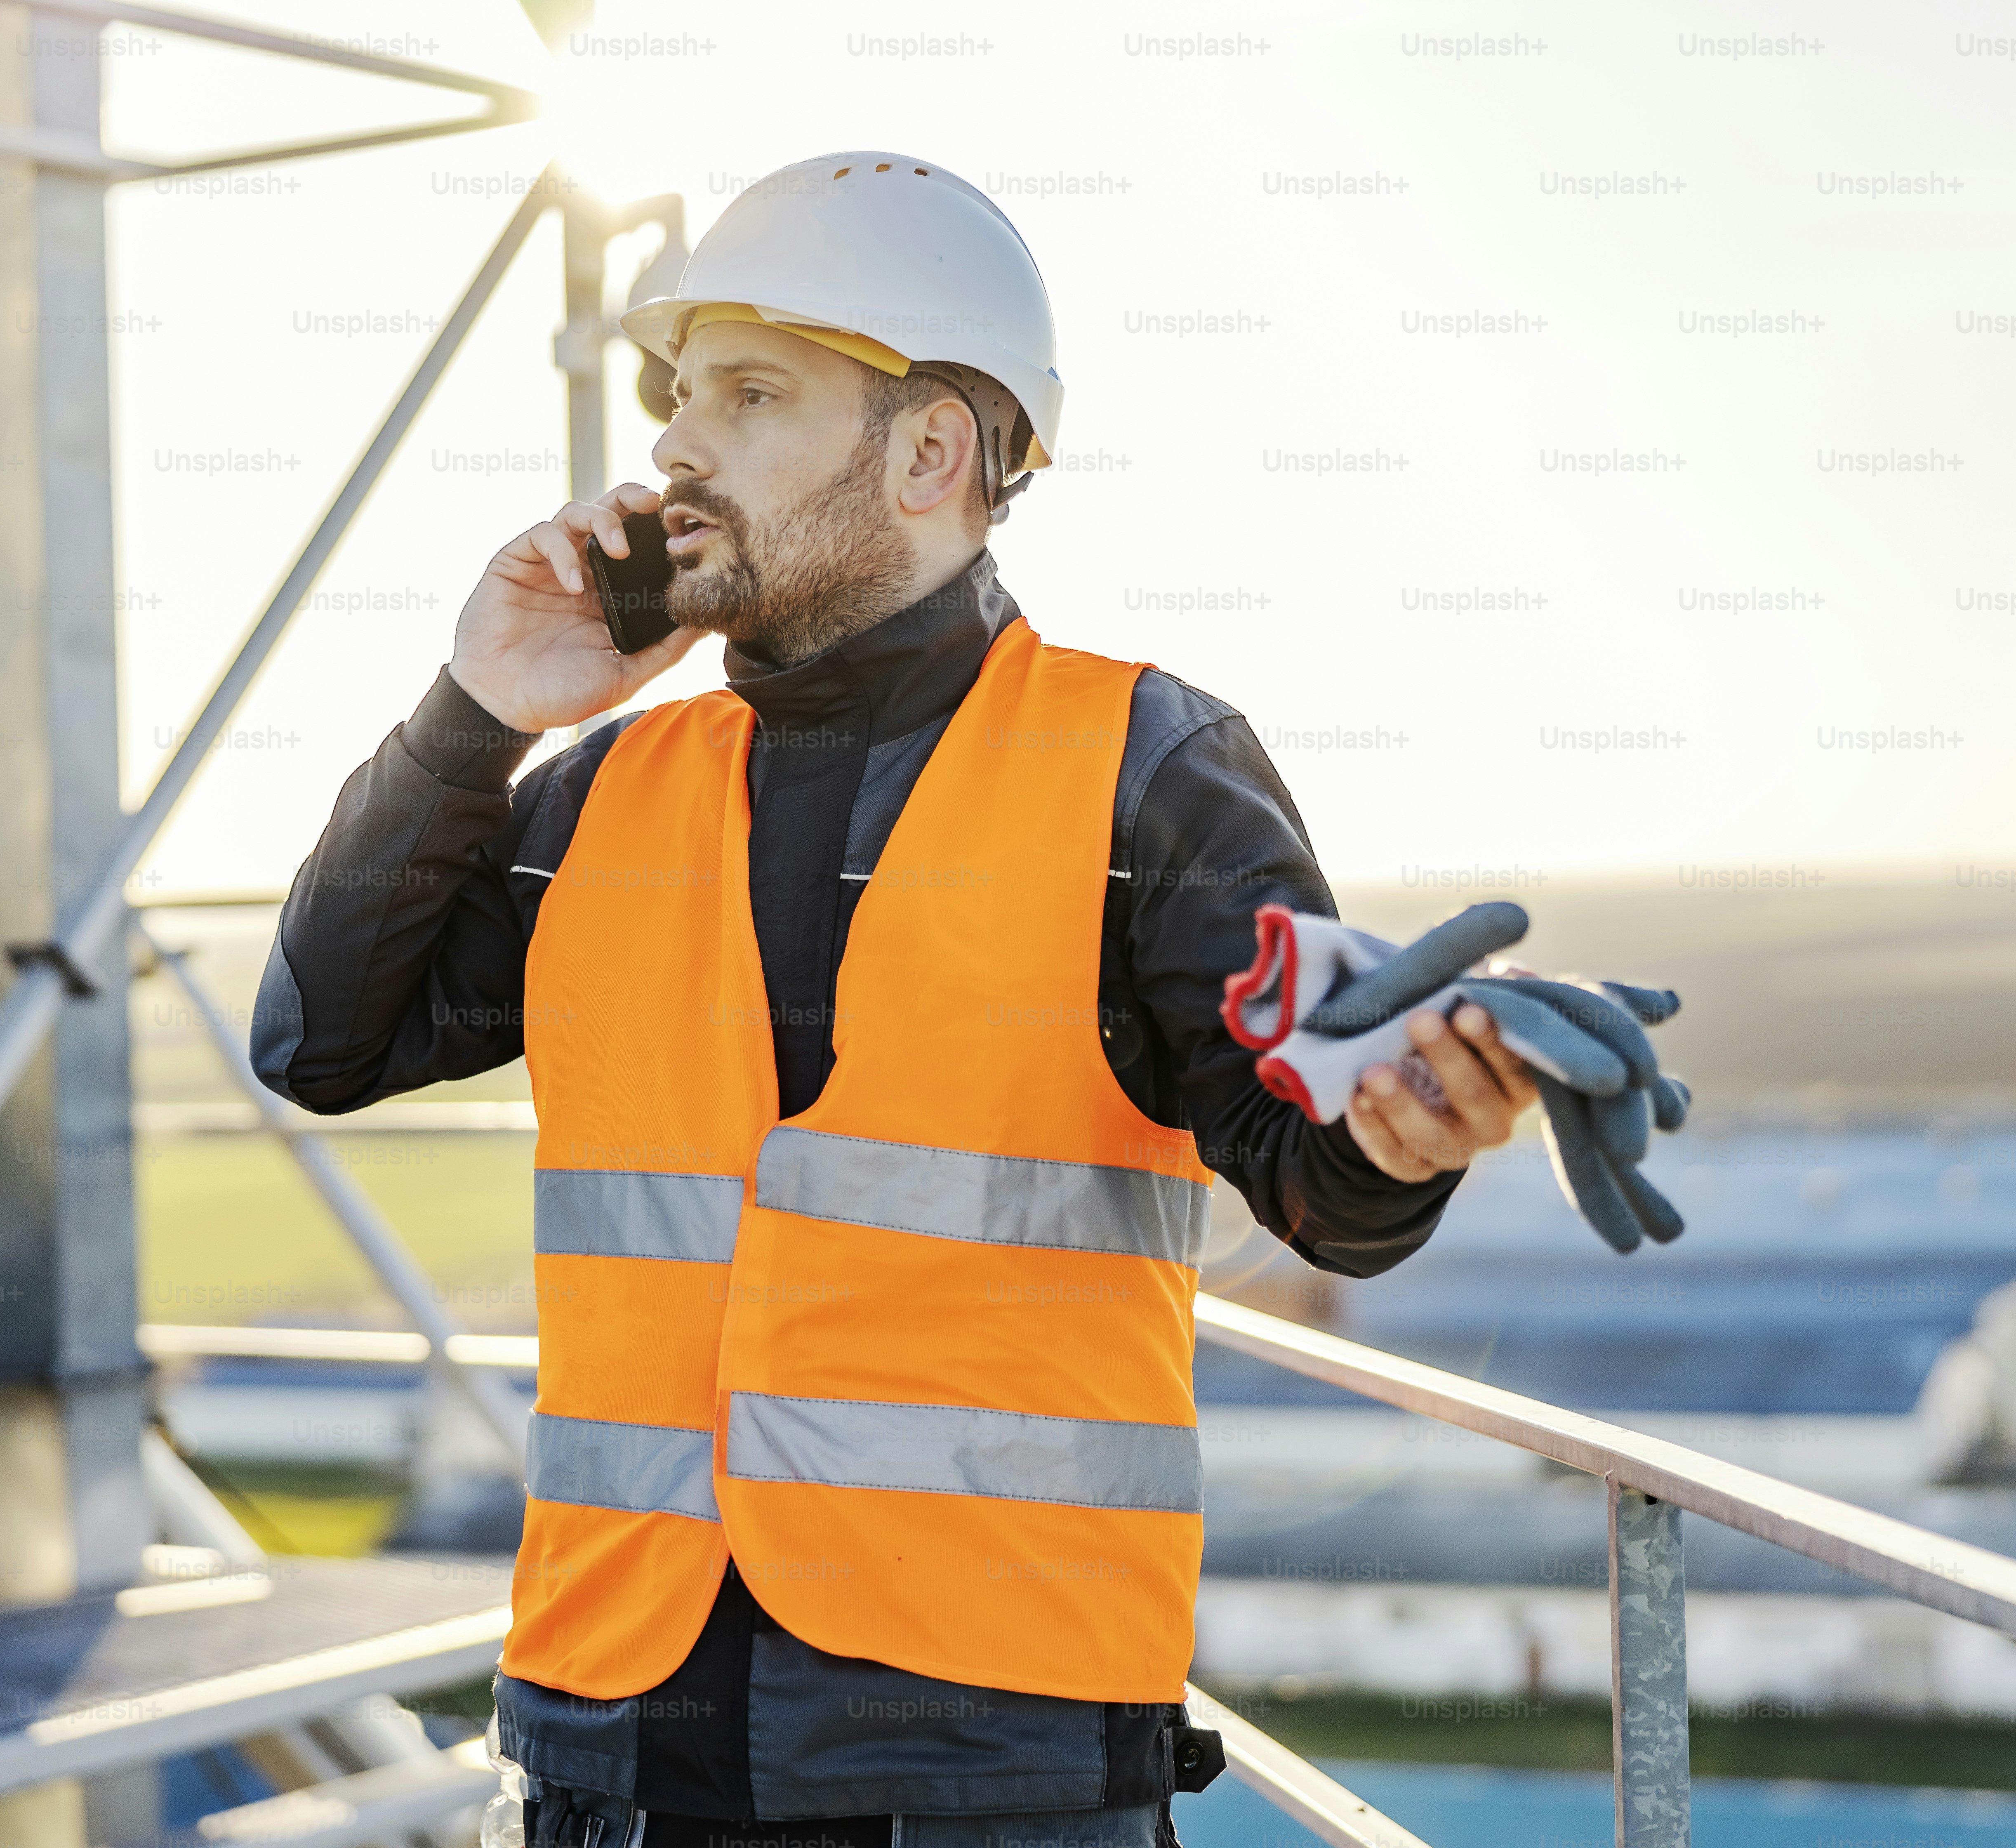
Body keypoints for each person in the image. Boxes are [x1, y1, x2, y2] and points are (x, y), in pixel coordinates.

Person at [250, 151, 1537, 1848]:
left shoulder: (1151, 773)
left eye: (753, 394)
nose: (675, 448)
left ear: (932, 449)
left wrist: (1404, 1134)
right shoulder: (596, 794)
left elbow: (1317, 1182)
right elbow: (320, 1042)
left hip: (985, 1770)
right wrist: (476, 712)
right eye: (680, 398)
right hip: (613, 1746)